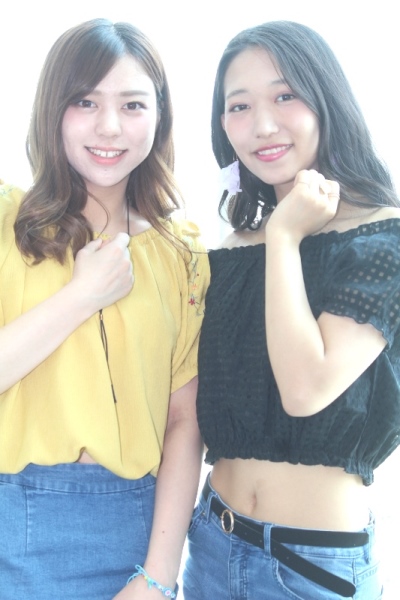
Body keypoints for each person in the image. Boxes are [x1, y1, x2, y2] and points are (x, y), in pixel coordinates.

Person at [183, 20, 400, 600]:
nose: (262, 125)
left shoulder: (383, 241)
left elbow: (304, 390)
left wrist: (283, 236)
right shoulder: (228, 252)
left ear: (325, 99)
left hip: (312, 567)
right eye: (239, 106)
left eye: (285, 96)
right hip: (210, 544)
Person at [0, 18, 209, 600]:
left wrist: (158, 577)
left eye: (133, 104)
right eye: (85, 102)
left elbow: (184, 421)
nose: (109, 126)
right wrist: (81, 296)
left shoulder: (183, 253)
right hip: (10, 521)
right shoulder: (6, 221)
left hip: (136, 534)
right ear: (53, 109)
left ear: (159, 115)